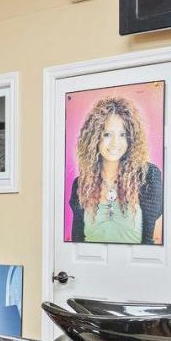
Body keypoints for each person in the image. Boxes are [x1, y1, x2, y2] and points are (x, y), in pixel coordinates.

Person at [68, 95, 163, 244]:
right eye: (107, 134)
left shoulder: (148, 176)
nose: (115, 143)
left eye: (122, 134)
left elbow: (154, 240)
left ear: (131, 138)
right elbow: (77, 242)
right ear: (94, 137)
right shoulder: (80, 185)